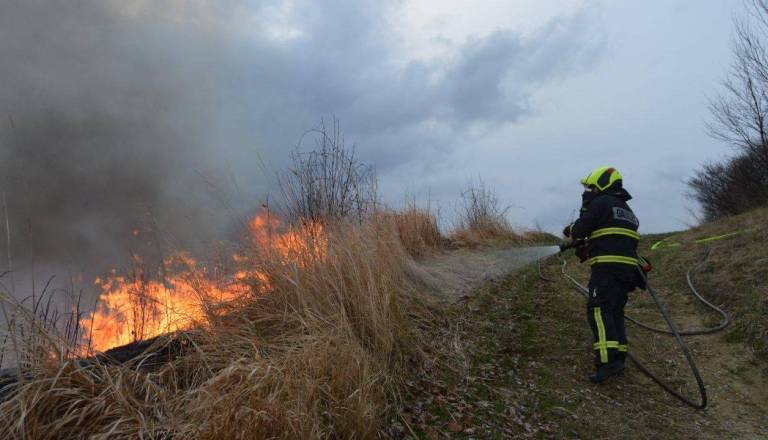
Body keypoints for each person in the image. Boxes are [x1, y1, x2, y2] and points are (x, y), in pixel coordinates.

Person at [562, 166, 640, 383]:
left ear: (602, 185)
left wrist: (583, 212)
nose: (589, 192)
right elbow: (609, 234)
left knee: (597, 310)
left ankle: (605, 362)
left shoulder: (599, 204)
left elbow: (579, 230)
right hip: (627, 271)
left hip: (606, 269)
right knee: (614, 311)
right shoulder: (627, 211)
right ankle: (619, 358)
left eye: (591, 188)